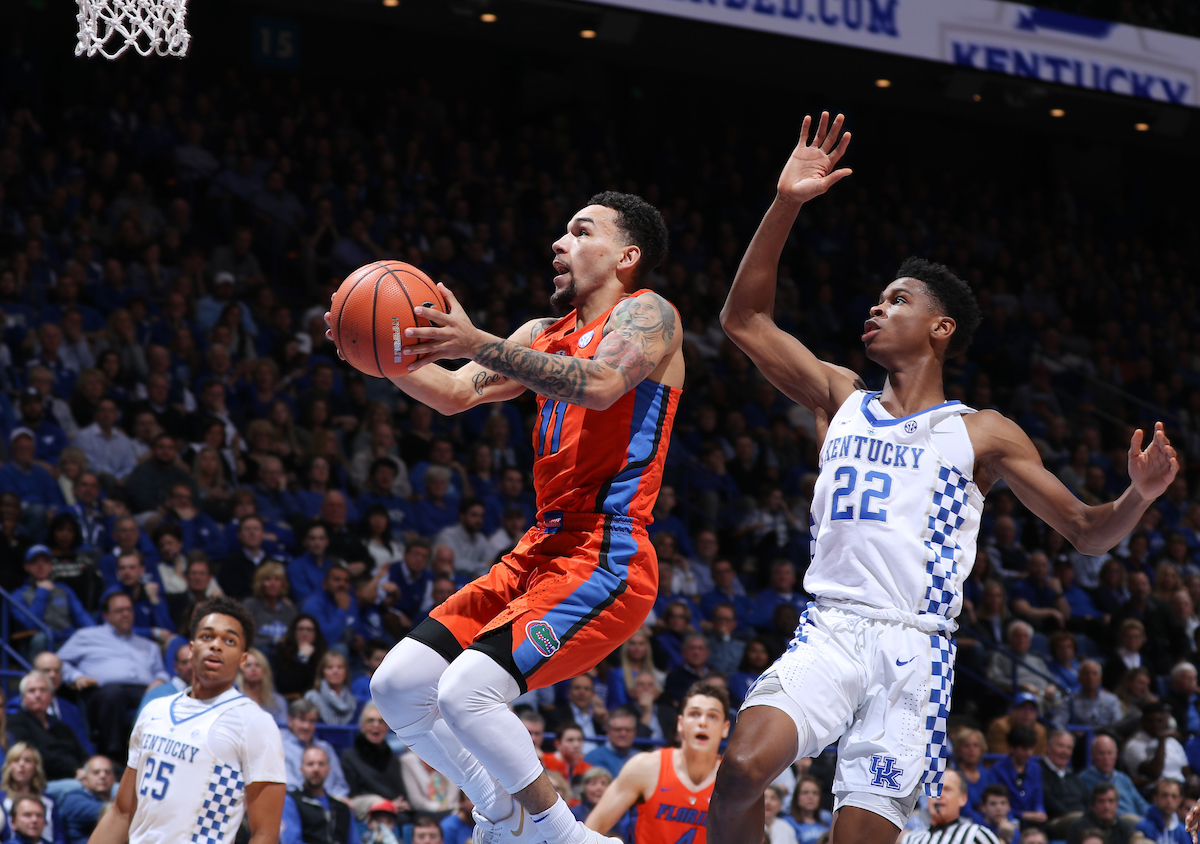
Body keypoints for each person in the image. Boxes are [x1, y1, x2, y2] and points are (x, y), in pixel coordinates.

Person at [707, 111, 1178, 844]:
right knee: (740, 768)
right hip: (831, 628)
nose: (877, 305)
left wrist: (1138, 495)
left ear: (941, 328)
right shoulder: (841, 396)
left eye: (898, 299)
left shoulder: (982, 432)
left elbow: (1088, 533)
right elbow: (744, 319)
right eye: (878, 298)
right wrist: (787, 203)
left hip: (915, 654)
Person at [364, 190, 681, 844]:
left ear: (627, 255)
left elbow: (597, 384)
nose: (559, 244)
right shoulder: (540, 334)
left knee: (466, 692)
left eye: (579, 231)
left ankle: (561, 834)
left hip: (608, 553)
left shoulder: (649, 313)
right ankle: (499, 809)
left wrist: (475, 339)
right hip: (539, 552)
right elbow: (452, 392)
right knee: (397, 687)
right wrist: (382, 354)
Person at [87, 596, 286, 844]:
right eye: (207, 636)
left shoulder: (254, 722)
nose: (216, 645)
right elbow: (122, 811)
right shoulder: (154, 711)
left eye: (229, 640)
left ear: (243, 659)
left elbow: (265, 834)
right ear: (191, 649)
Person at [584, 683, 726, 844]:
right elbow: (591, 830)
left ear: (725, 728)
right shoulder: (645, 767)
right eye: (694, 714)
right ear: (680, 723)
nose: (703, 723)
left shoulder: (734, 782)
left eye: (713, 716)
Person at [54, 591, 168, 764]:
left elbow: (161, 671)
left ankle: (158, 756)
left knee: (163, 699)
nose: (126, 614)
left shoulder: (148, 645)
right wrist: (76, 676)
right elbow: (58, 661)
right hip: (102, 692)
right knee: (114, 694)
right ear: (105, 615)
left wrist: (159, 681)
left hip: (142, 692)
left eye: (129, 610)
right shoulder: (87, 636)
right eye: (119, 610)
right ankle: (114, 756)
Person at [7, 673, 88, 783]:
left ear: (51, 696)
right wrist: (74, 771)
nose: (38, 695)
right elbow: (35, 757)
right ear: (23, 697)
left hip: (79, 777)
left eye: (43, 690)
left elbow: (83, 755)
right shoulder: (16, 723)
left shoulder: (62, 726)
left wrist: (89, 770)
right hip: (45, 782)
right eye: (32, 691)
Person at [342, 703, 412, 822]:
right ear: (362, 726)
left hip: (395, 810)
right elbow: (353, 794)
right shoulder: (349, 757)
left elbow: (401, 793)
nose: (376, 725)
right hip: (366, 811)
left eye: (381, 721)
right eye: (370, 721)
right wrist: (387, 804)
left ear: (387, 727)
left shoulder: (393, 759)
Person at [280, 746, 359, 844]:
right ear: (301, 769)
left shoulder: (342, 807)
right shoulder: (291, 801)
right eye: (310, 764)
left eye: (321, 764)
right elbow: (291, 841)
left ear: (328, 769)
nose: (316, 769)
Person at [900, 769, 1001, 844]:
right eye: (935, 789)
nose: (939, 795)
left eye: (947, 789)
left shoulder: (976, 834)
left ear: (963, 799)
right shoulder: (911, 839)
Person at [280, 699, 350, 798]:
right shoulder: (282, 748)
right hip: (300, 803)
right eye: (302, 719)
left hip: (331, 802)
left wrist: (334, 801)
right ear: (290, 721)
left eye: (311, 721)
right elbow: (290, 788)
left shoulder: (326, 748)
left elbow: (340, 786)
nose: (306, 726)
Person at [0, 743, 63, 844]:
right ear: (9, 766)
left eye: (27, 761)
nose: (21, 765)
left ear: (35, 767)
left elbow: (58, 836)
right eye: (16, 760)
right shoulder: (1, 799)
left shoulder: (48, 800)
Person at [1077, 734, 1148, 820]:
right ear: (1092, 755)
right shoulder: (1083, 779)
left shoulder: (1123, 778)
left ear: (1116, 754)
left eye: (1110, 753)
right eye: (1101, 753)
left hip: (1137, 822)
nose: (1106, 758)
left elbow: (1141, 804)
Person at [990, 728, 1046, 828]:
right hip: (1010, 819)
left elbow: (1038, 797)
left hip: (1033, 821)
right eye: (1024, 749)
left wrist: (1040, 812)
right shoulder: (998, 770)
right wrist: (1022, 815)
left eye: (1031, 748)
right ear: (1012, 747)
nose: (1029, 753)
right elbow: (999, 802)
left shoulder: (1036, 768)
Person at [57, 755, 113, 844]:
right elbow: (110, 813)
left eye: (107, 772)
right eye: (96, 772)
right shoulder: (73, 799)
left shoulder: (113, 798)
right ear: (84, 779)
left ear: (113, 778)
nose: (102, 776)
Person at [1065, 784, 1136, 844]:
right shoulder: (1079, 827)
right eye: (1101, 801)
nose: (1107, 807)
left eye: (1111, 801)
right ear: (1093, 805)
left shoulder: (1124, 827)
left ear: (1117, 805)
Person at [303, 650, 358, 725]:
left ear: (346, 672)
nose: (335, 671)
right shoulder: (311, 698)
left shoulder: (354, 702)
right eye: (329, 667)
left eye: (340, 667)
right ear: (322, 672)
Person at [237, 647, 288, 725]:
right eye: (248, 665)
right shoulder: (236, 700)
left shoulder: (278, 701)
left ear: (264, 670)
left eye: (257, 665)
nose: (253, 669)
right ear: (241, 672)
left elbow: (284, 730)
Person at [583, 708, 640, 776]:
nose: (623, 734)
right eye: (618, 730)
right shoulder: (593, 758)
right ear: (608, 731)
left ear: (634, 732)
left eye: (628, 730)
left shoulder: (640, 758)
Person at [1135, 778, 1188, 844]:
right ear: (1155, 797)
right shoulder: (1144, 826)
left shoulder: (1182, 830)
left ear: (1180, 800)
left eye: (1174, 796)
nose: (1169, 801)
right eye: (1164, 795)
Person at [784, 775, 832, 844]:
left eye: (815, 793)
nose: (810, 797)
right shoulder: (787, 822)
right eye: (805, 792)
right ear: (796, 797)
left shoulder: (827, 819)